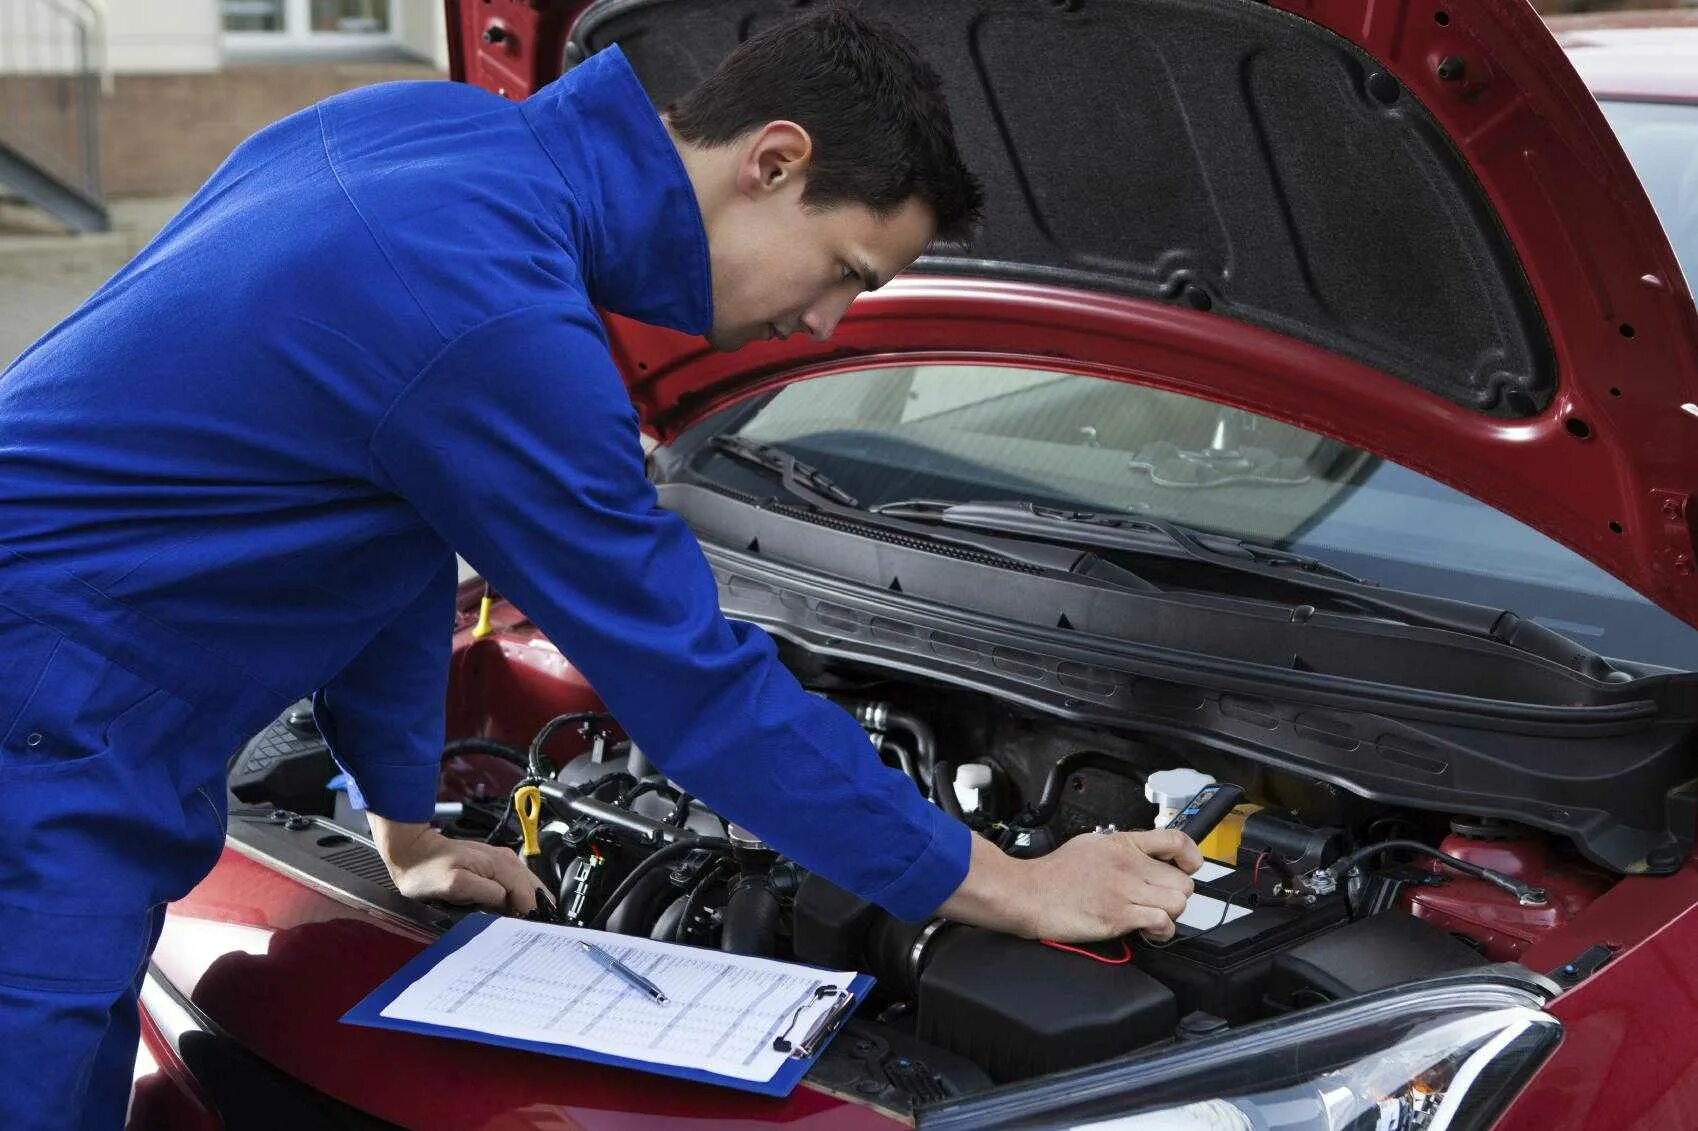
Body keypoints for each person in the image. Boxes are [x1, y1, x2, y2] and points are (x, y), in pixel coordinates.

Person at [0, 8, 1200, 1126]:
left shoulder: (417, 130)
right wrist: (1002, 884)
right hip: (41, 740)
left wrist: (405, 824)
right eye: (845, 270)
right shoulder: (499, 313)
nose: (830, 326)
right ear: (772, 162)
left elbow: (391, 537)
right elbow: (693, 688)